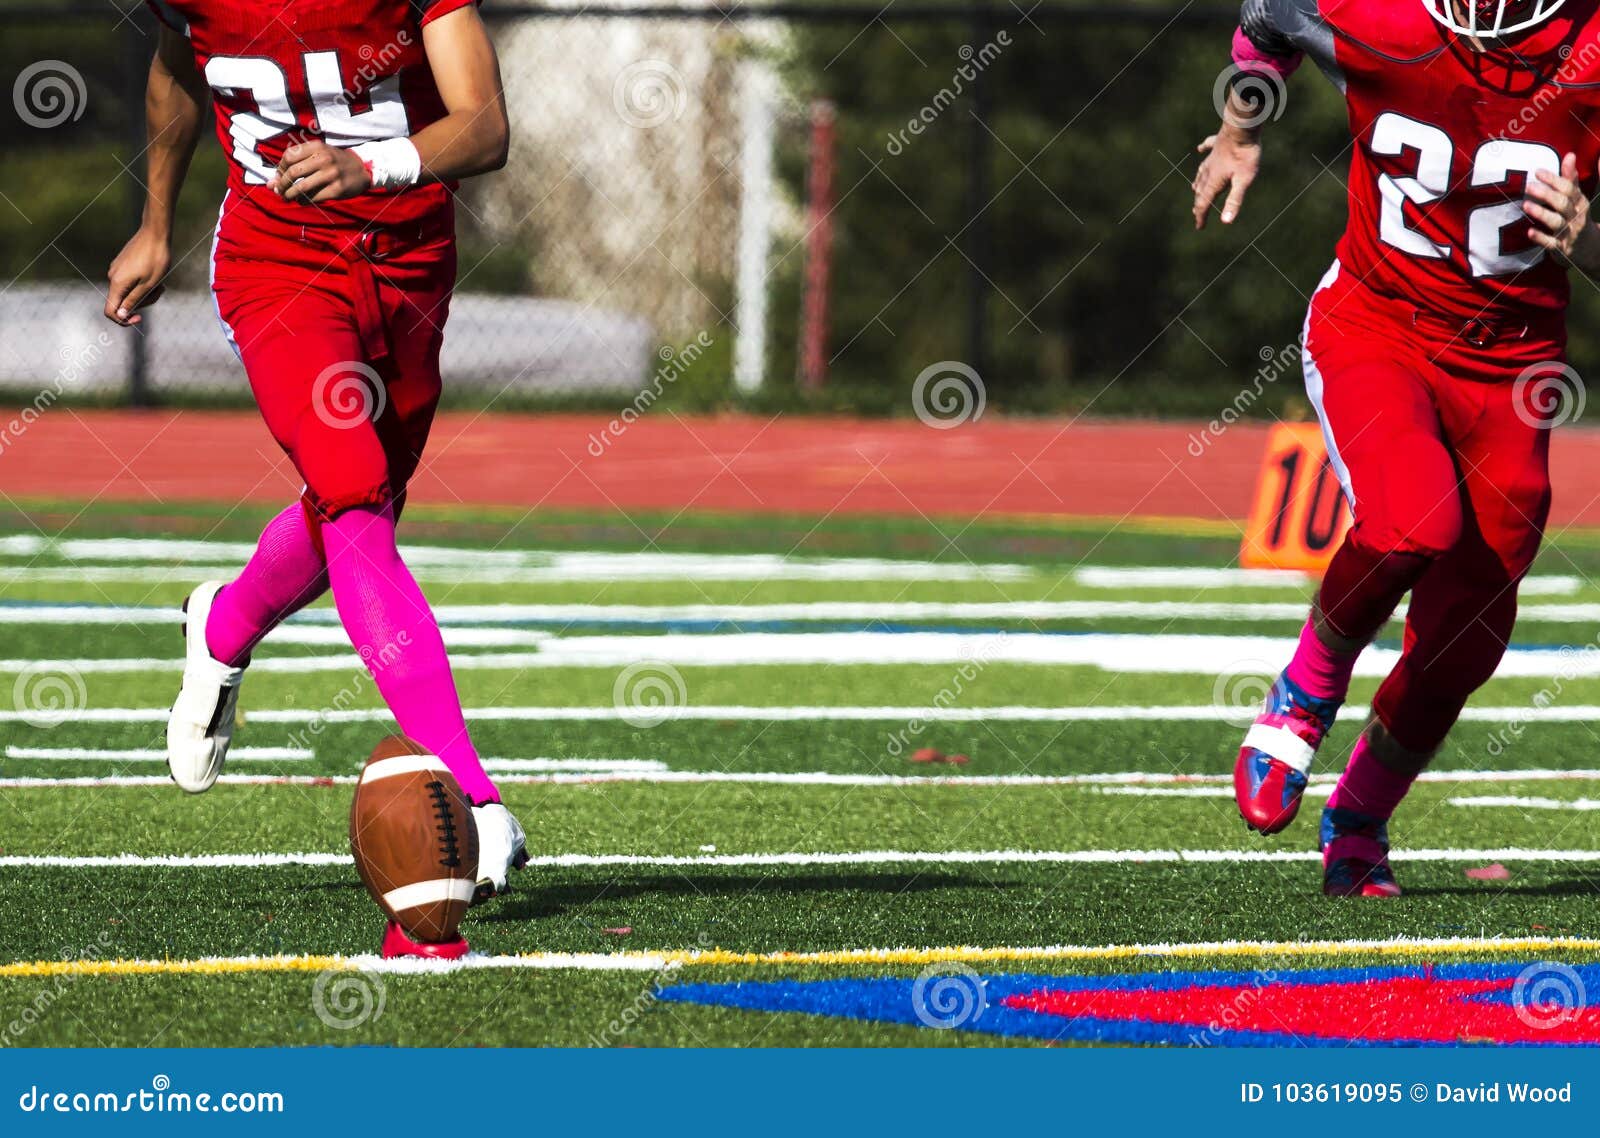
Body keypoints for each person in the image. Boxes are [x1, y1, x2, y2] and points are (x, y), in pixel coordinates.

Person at [106, 0, 526, 951]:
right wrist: (155, 222)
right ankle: (476, 793)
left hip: (409, 261)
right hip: (278, 264)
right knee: (354, 495)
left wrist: (369, 166)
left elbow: (485, 125)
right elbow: (175, 70)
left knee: (363, 502)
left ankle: (224, 625)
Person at [1194, 0, 1599, 895]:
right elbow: (1266, 21)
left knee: (1469, 635)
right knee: (1412, 520)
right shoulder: (1381, 17)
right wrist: (1238, 132)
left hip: (1513, 369)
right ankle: (1308, 687)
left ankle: (1360, 819)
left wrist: (1590, 238)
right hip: (1377, 328)